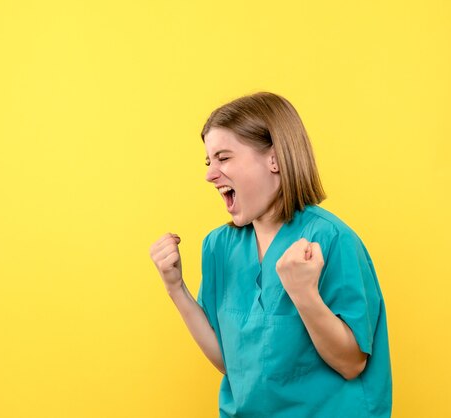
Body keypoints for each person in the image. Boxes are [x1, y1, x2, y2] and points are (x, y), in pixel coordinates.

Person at [149, 92, 392, 417]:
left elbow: (351, 364)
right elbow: (229, 363)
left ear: (275, 158)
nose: (210, 174)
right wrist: (175, 288)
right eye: (209, 161)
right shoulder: (219, 246)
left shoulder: (331, 240)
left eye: (224, 157)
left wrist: (304, 293)